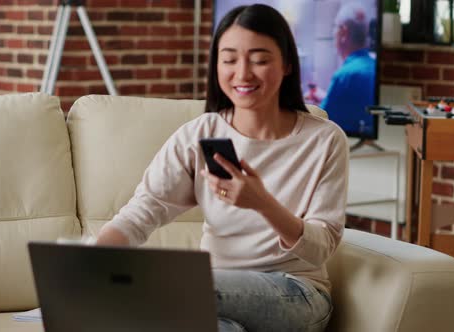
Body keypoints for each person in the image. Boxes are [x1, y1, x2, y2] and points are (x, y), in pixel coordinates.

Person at [95, 4, 348, 332]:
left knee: (173, 285)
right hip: (208, 294)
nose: (242, 74)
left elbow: (321, 248)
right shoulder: (199, 134)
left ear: (286, 64)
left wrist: (262, 203)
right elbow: (144, 210)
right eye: (229, 60)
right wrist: (93, 262)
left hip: (297, 293)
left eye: (259, 60)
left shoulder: (324, 140)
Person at [320, 2, 376, 135]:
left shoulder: (344, 76)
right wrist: (324, 96)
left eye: (335, 27)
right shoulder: (373, 67)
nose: (333, 33)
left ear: (344, 32)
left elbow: (319, 121)